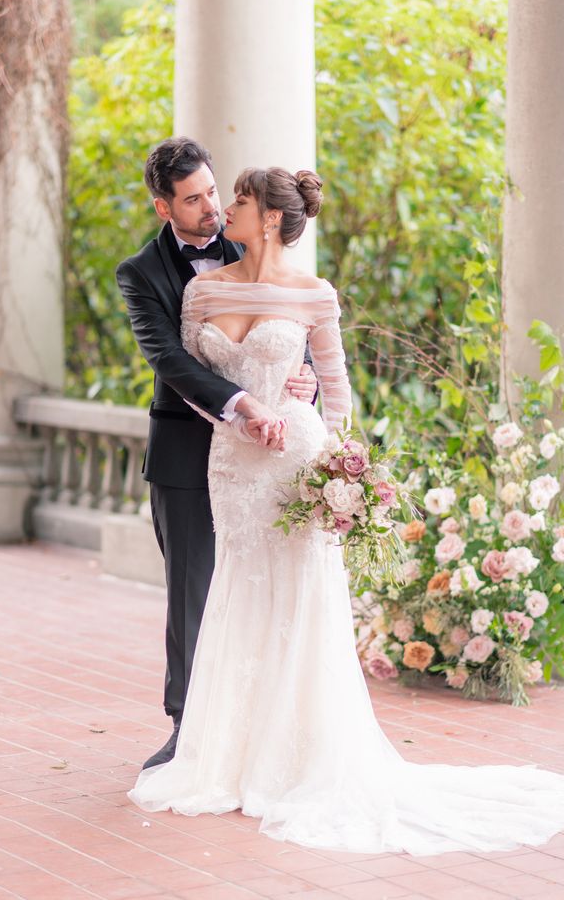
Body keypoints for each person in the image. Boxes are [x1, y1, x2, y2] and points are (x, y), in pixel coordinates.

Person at [127, 164, 564, 855]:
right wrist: (242, 414)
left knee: (303, 600)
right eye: (217, 198)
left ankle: (301, 753)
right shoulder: (198, 290)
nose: (226, 209)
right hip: (231, 460)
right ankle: (225, 752)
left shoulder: (315, 293)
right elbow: (191, 379)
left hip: (295, 460)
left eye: (240, 200)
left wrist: (334, 463)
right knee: (236, 592)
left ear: (272, 219)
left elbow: (336, 391)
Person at [116, 139, 317, 770]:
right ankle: (187, 729)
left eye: (212, 191)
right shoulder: (140, 274)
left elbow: (291, 323)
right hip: (186, 456)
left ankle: (260, 730)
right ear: (162, 207)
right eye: (193, 199)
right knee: (192, 594)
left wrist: (303, 375)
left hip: (263, 462)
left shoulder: (249, 243)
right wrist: (241, 405)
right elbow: (169, 360)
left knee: (263, 589)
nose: (210, 207)